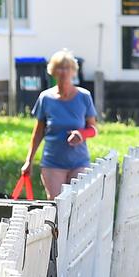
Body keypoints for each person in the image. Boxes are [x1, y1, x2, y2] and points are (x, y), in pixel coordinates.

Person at [21, 49, 98, 200]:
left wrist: (81, 134)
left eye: (67, 68)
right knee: (56, 204)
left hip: (79, 161)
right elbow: (38, 132)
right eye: (60, 68)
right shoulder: (46, 98)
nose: (63, 72)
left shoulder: (84, 96)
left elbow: (94, 129)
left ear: (73, 71)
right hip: (53, 162)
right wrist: (29, 161)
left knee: (78, 204)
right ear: (53, 71)